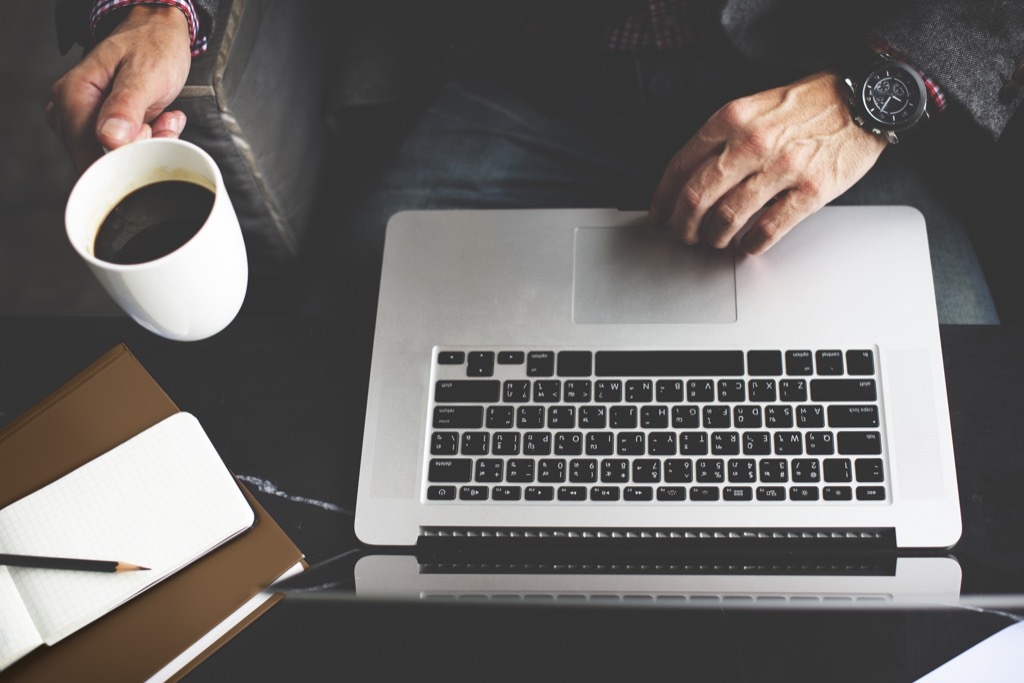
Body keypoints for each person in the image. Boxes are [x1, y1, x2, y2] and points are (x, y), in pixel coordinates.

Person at [48, 0, 1023, 323]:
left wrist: (879, 93)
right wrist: (159, 9)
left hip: (828, 67)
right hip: (518, 68)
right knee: (337, 402)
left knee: (951, 440)